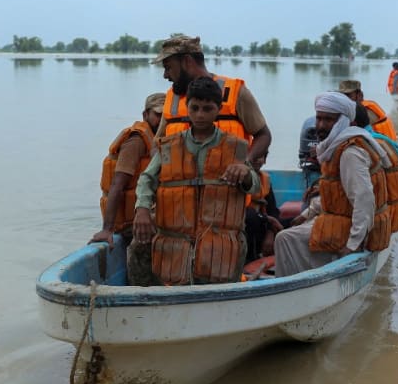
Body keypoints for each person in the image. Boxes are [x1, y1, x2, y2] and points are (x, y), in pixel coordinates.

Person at [130, 77, 261, 285]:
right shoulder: (169, 147)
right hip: (176, 240)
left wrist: (245, 173)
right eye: (195, 108)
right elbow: (146, 179)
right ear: (187, 107)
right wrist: (142, 209)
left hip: (219, 244)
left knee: (234, 250)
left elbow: (255, 184)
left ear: (218, 109)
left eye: (207, 109)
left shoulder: (235, 147)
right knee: (137, 247)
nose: (200, 115)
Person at [274, 92, 393, 278]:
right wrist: (307, 214)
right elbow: (338, 196)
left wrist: (352, 245)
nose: (321, 125)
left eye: (328, 120)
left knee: (285, 239)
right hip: (341, 219)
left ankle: (289, 287)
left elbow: (364, 202)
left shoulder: (350, 153)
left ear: (343, 122)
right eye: (319, 118)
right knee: (292, 230)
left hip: (355, 230)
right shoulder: (336, 147)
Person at [151, 35, 271, 164]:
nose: (165, 75)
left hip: (228, 181)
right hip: (180, 182)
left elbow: (263, 135)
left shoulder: (235, 92)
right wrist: (159, 168)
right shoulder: (171, 99)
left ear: (187, 61)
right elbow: (156, 145)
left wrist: (247, 163)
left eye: (168, 67)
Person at [89, 93, 164, 248]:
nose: (162, 121)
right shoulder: (136, 141)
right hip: (132, 223)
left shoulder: (162, 139)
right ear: (145, 115)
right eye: (158, 115)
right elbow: (117, 184)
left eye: (165, 116)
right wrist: (107, 229)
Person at [244, 153, 287, 262]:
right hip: (247, 223)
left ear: (265, 160)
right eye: (254, 156)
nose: (257, 160)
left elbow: (273, 210)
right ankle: (250, 260)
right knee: (252, 218)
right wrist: (266, 219)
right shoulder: (240, 179)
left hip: (263, 222)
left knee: (291, 223)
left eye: (260, 157)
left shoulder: (265, 180)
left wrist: (271, 233)